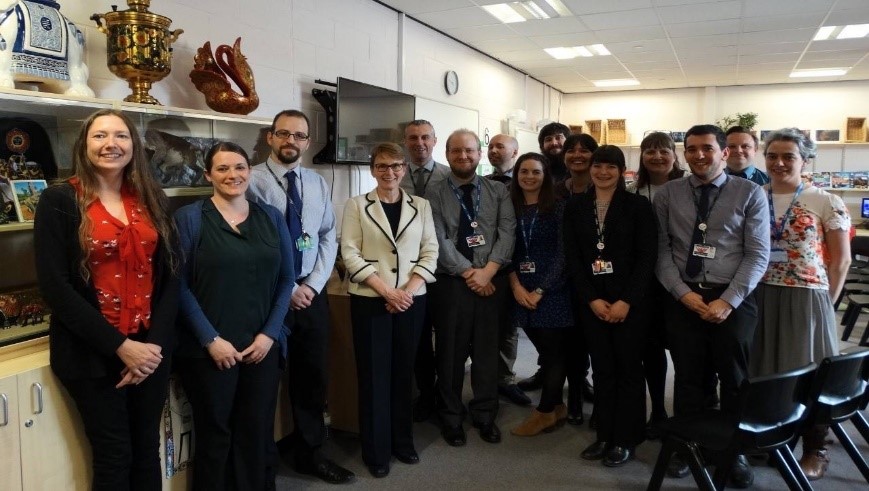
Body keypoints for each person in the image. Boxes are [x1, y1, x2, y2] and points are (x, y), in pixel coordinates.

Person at [34, 109, 180, 491]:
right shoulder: (59, 200)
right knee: (115, 454)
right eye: (99, 136)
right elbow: (55, 286)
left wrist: (151, 350)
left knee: (146, 448)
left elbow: (173, 279)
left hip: (150, 352)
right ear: (84, 145)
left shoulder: (153, 200)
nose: (110, 144)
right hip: (91, 353)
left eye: (121, 136)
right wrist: (121, 347)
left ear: (134, 145)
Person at [654, 124, 770, 487]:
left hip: (733, 299)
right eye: (691, 149)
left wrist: (727, 301)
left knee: (735, 380)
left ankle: (731, 453)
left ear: (724, 152)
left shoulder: (750, 193)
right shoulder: (668, 193)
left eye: (707, 148)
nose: (699, 155)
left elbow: (757, 254)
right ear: (684, 154)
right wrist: (681, 293)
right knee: (689, 378)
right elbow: (660, 250)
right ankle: (688, 448)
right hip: (684, 297)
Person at [174, 142, 294, 491]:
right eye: (223, 169)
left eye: (239, 167)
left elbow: (287, 279)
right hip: (210, 352)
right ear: (208, 174)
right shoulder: (190, 219)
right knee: (215, 435)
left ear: (249, 172)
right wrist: (211, 340)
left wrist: (269, 334)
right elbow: (178, 287)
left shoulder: (271, 217)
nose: (233, 175)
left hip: (262, 348)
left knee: (256, 432)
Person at [246, 110, 353, 484]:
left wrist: (312, 285)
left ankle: (310, 453)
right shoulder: (250, 180)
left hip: (312, 292)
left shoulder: (316, 182)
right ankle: (262, 464)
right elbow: (251, 243)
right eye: (284, 134)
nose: (291, 141)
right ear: (271, 138)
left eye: (300, 136)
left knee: (312, 377)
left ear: (308, 142)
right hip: (270, 296)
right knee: (262, 382)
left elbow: (327, 236)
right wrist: (289, 288)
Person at [748, 128, 851, 481]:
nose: (779, 163)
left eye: (788, 156)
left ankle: (815, 448)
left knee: (809, 370)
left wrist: (827, 303)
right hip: (757, 293)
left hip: (805, 295)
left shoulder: (825, 200)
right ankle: (770, 436)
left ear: (804, 160)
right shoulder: (752, 195)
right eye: (773, 155)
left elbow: (841, 261)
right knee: (763, 367)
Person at [340, 142, 439, 478]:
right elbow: (350, 253)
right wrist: (386, 291)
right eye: (382, 166)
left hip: (412, 300)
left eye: (396, 165)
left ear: (405, 169)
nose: (390, 172)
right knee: (373, 377)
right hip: (370, 300)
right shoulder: (356, 205)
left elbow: (430, 251)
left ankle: (403, 441)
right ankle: (376, 451)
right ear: (372, 170)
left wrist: (407, 292)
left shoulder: (421, 206)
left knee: (402, 374)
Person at [564, 145, 656, 467]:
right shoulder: (575, 207)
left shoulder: (638, 205)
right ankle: (605, 434)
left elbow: (647, 258)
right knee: (603, 369)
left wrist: (626, 301)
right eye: (598, 166)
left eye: (611, 167)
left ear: (621, 171)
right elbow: (573, 258)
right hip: (593, 303)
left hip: (630, 303)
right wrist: (591, 299)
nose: (603, 172)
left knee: (628, 369)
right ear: (590, 169)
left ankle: (626, 438)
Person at [427, 129, 515, 446]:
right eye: (456, 151)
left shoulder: (498, 192)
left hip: (492, 282)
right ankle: (451, 417)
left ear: (479, 154)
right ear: (447, 154)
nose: (463, 156)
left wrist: (488, 272)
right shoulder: (433, 194)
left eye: (469, 151)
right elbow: (439, 241)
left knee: (487, 354)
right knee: (450, 355)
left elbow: (507, 234)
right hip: (451, 285)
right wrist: (470, 273)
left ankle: (485, 414)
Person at [507, 152, 574, 436]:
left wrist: (541, 290)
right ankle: (557, 406)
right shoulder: (509, 206)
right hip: (520, 288)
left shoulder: (559, 207)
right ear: (516, 175)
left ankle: (545, 411)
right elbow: (506, 249)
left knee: (553, 354)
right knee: (545, 351)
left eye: (536, 172)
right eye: (524, 172)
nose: (529, 177)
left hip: (553, 289)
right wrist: (516, 286)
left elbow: (564, 253)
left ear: (546, 175)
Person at [626, 131, 686, 438]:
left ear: (675, 156)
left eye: (664, 150)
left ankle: (687, 416)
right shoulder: (633, 191)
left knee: (682, 348)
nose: (657, 156)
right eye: (650, 151)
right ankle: (659, 412)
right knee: (650, 349)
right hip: (644, 283)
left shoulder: (686, 189)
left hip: (679, 281)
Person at [398, 119, 450, 423]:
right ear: (406, 141)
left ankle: (446, 396)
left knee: (445, 339)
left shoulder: (447, 176)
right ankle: (425, 396)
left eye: (425, 137)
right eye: (413, 138)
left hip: (442, 271)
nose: (420, 143)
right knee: (418, 341)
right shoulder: (395, 175)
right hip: (408, 277)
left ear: (434, 140)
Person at [551, 132, 599, 425]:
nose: (577, 155)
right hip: (561, 277)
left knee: (594, 339)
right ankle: (575, 396)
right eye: (571, 150)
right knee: (571, 342)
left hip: (596, 277)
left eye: (585, 150)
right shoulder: (556, 190)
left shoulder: (606, 187)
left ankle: (593, 393)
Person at [485, 133, 531, 407]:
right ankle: (490, 379)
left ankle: (506, 379)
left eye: (500, 146)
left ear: (515, 152)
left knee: (509, 329)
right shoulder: (485, 184)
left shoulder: (526, 182)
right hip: (493, 266)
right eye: (490, 146)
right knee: (491, 327)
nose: (493, 150)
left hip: (524, 265)